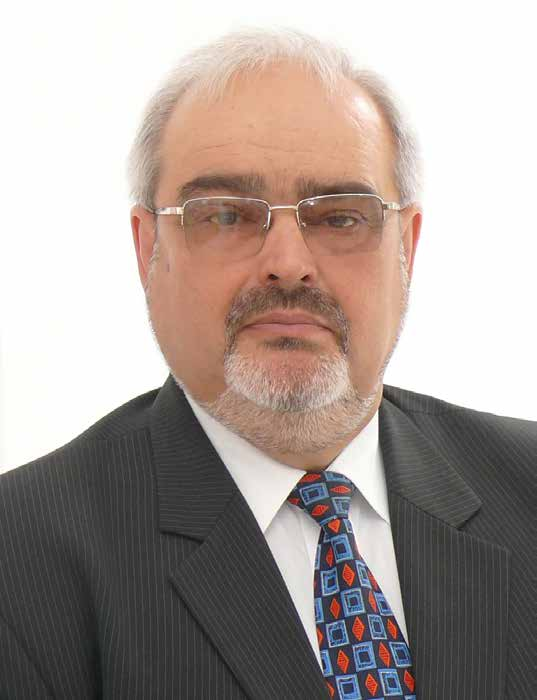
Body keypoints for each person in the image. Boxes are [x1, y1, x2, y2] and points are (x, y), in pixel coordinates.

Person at [0, 26, 534, 700]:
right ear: (148, 249)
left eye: (340, 217)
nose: (288, 262)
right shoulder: (18, 560)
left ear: (407, 246)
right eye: (226, 216)